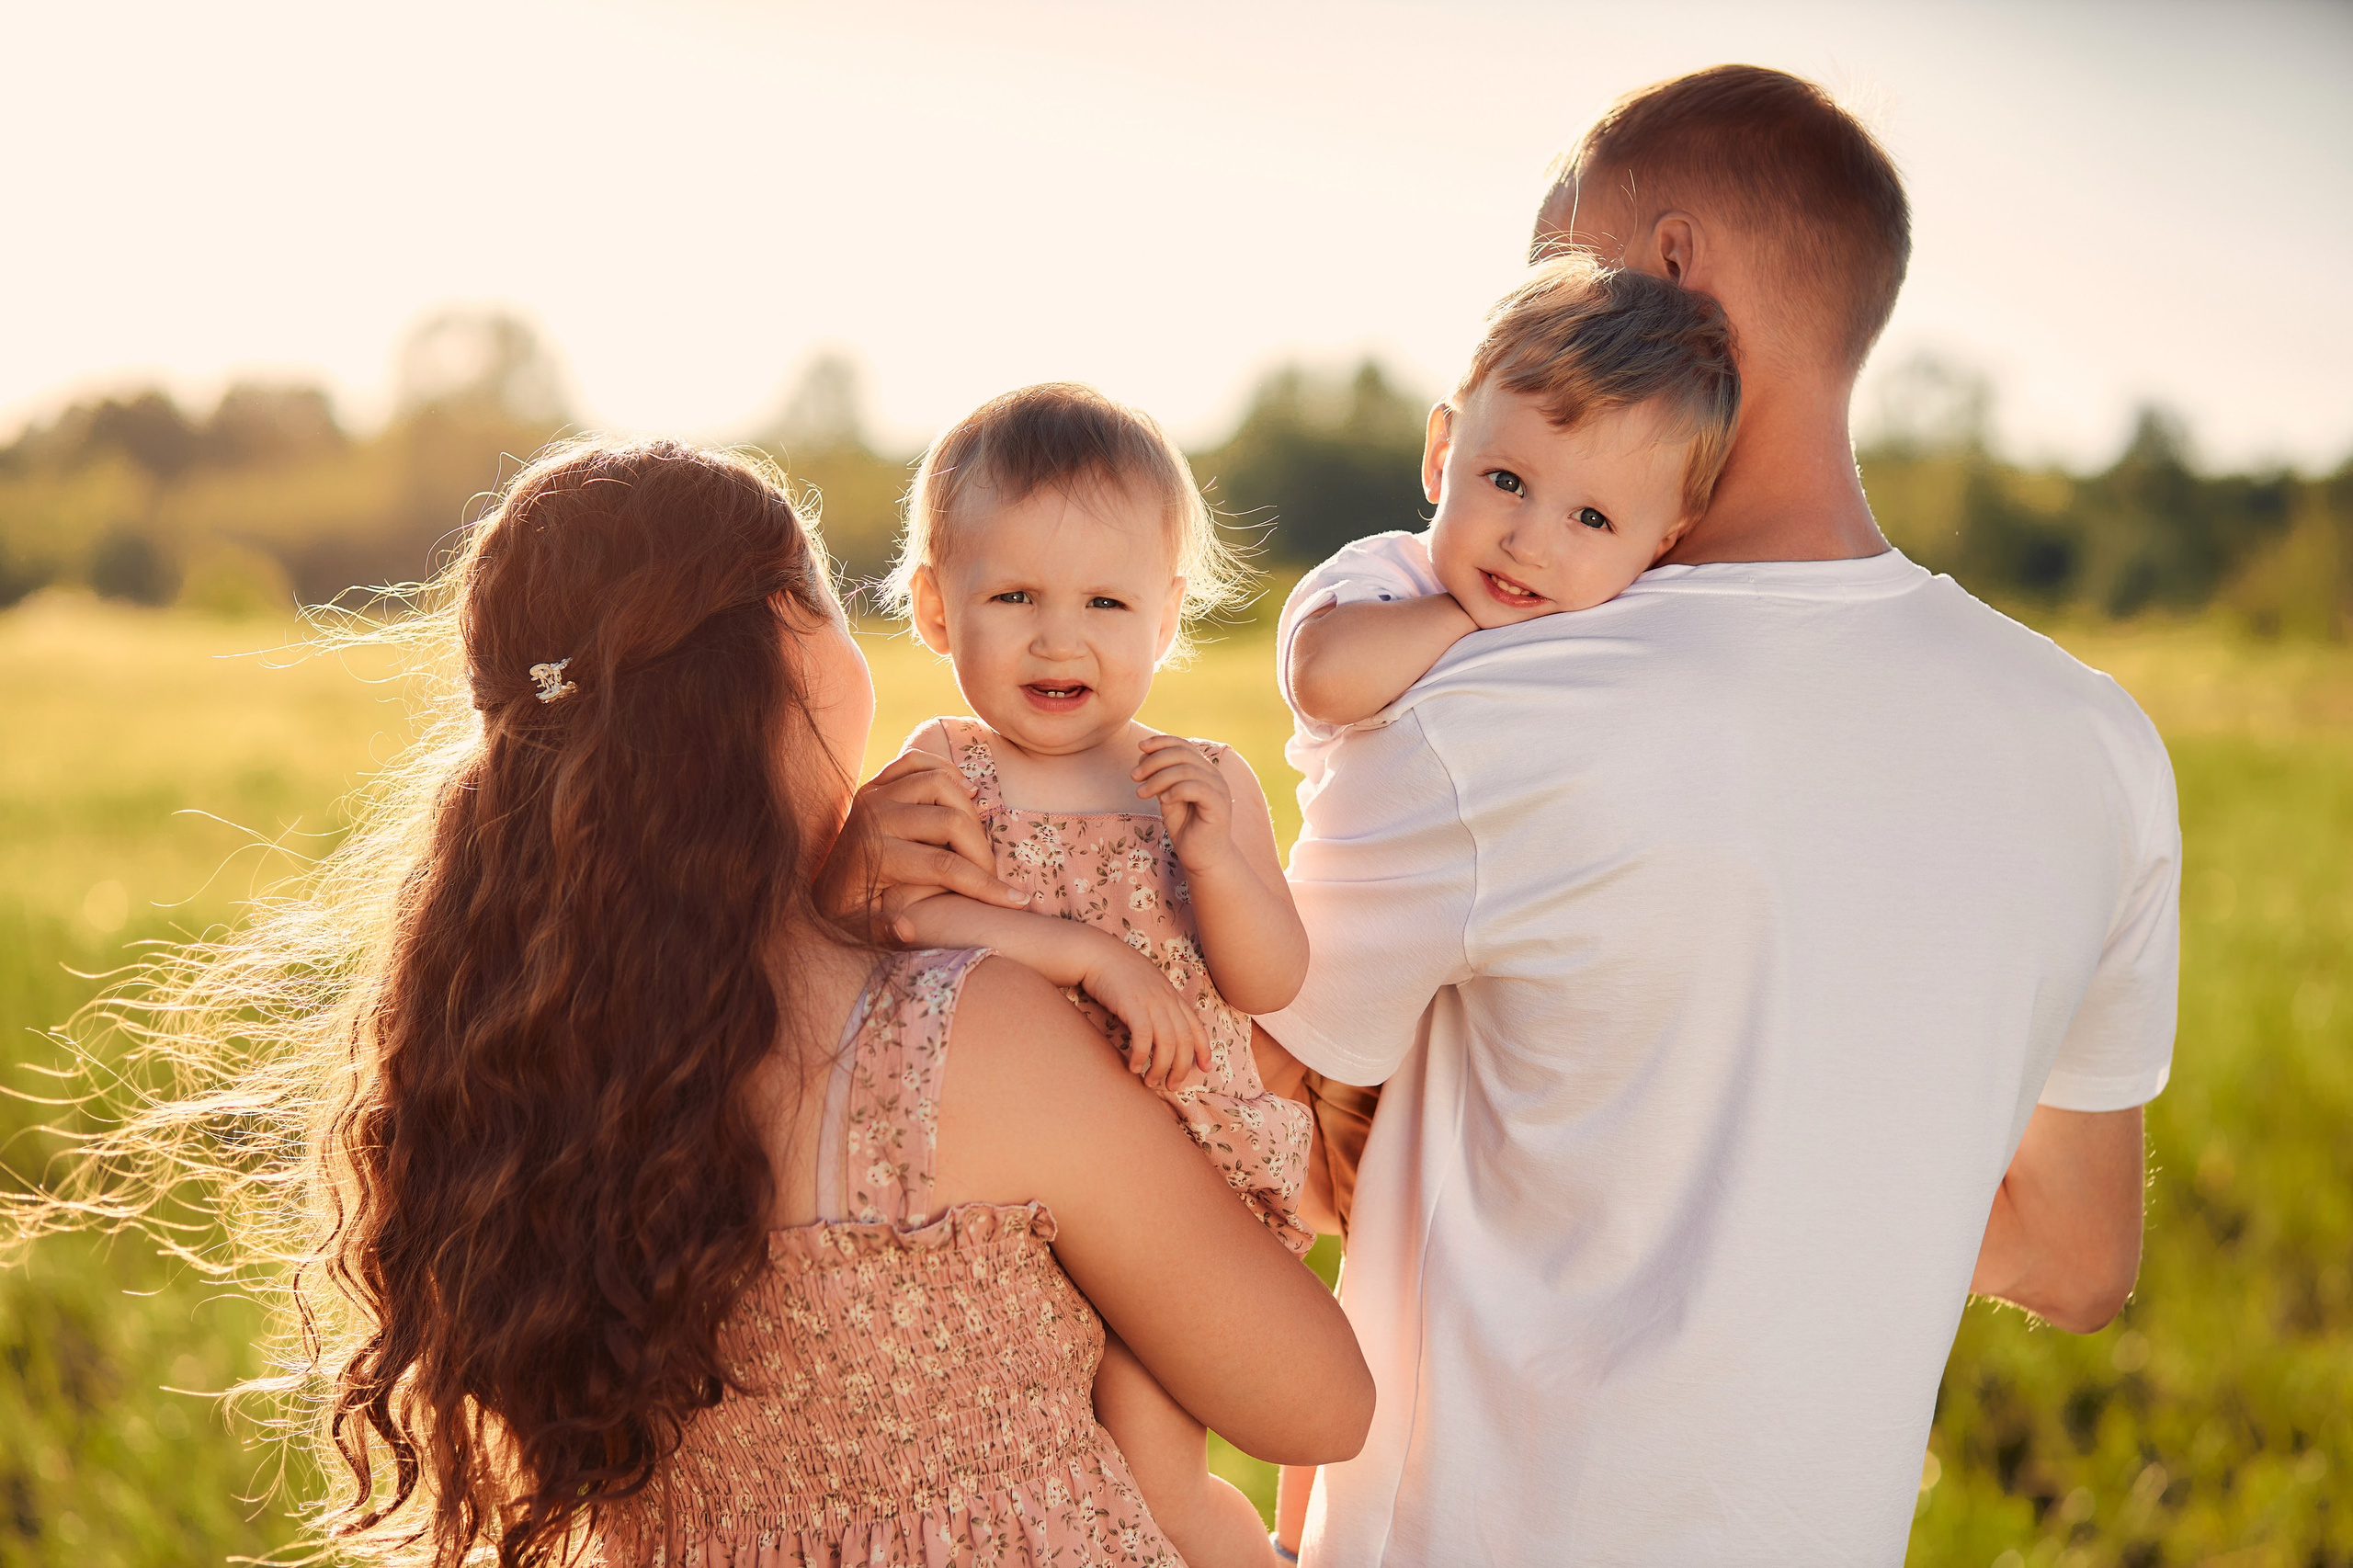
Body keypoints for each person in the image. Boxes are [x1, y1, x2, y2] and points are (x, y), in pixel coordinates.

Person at [13, 438, 1371, 1568]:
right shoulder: (960, 1036)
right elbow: (1312, 1397)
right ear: (789, 640)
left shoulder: (544, 1055)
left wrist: (840, 900)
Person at [1248, 64, 2179, 1563]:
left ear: (1666, 267)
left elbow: (1261, 1138)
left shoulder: (1498, 698)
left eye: (1554, 272)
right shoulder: (2101, 747)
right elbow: (2078, 1258)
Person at [1262, 246, 1741, 1559]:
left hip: (1449, 1017)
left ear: (1667, 542)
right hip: (1332, 992)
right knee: (1316, 1284)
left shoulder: (1630, 631)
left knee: (1380, 1297)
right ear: (1440, 454)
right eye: (1507, 481)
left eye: (1594, 520)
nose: (1530, 540)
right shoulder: (1392, 576)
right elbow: (1326, 677)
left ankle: (1319, 1515)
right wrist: (1469, 635)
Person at [876, 382, 1318, 1568]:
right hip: (999, 1198)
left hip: (1182, 1174)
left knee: (1151, 1474)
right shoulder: (946, 771)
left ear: (1167, 615)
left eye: (1105, 601)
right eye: (1013, 596)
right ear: (934, 607)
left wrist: (1217, 860)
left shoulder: (1198, 781)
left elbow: (1272, 979)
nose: (1059, 637)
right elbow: (908, 921)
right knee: (1034, 1482)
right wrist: (1090, 955)